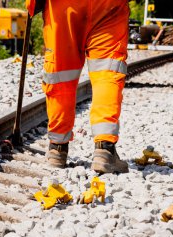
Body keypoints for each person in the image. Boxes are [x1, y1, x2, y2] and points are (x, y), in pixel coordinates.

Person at [26, 0, 129, 173]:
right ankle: (105, 149)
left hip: (63, 5)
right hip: (108, 5)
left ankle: (57, 149)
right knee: (107, 71)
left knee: (60, 75)